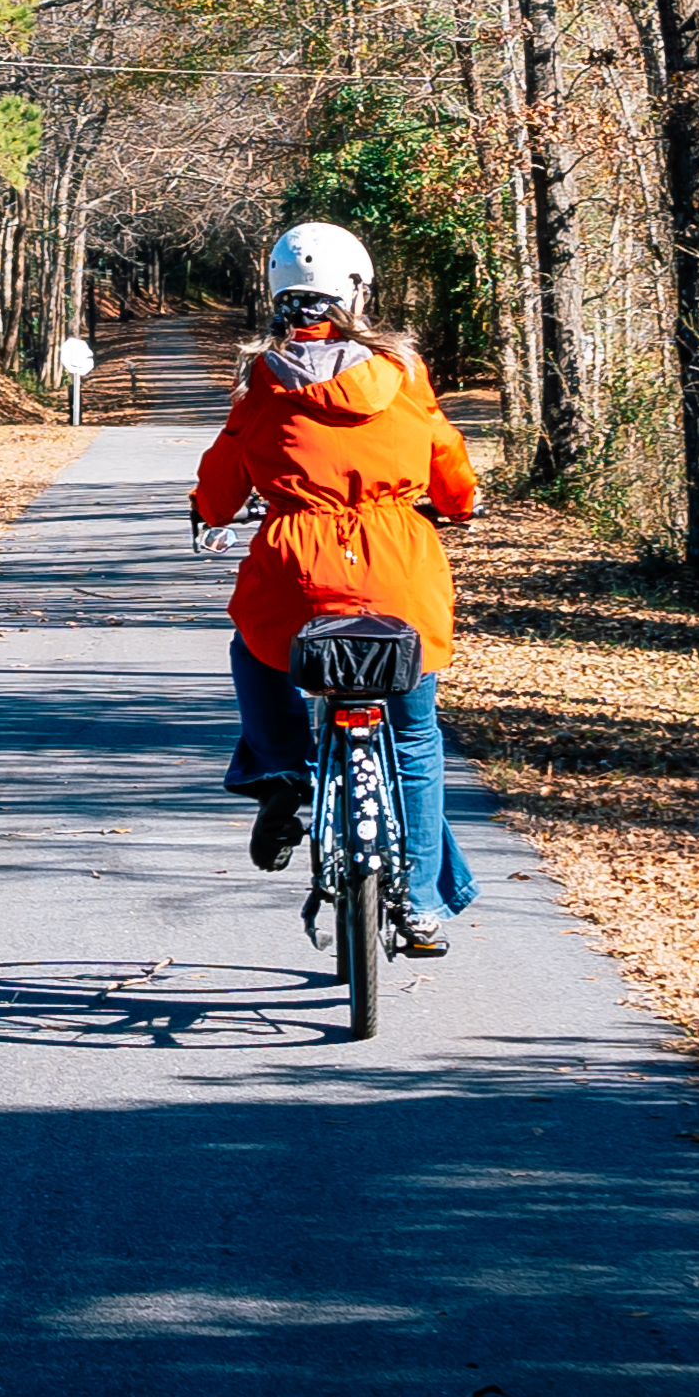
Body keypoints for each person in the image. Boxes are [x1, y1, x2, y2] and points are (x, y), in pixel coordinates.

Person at [190, 220, 482, 949]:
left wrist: (207, 511)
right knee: (413, 738)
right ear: (358, 290)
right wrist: (457, 505)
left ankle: (284, 768)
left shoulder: (261, 380)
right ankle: (417, 902)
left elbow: (225, 473)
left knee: (254, 647)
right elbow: (447, 463)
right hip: (398, 572)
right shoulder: (403, 374)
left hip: (296, 572)